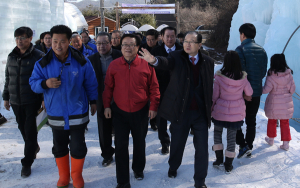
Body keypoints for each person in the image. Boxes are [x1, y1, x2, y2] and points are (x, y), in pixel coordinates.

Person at [140, 31, 214, 188]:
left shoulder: (208, 62)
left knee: (202, 149)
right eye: (185, 41)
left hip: (200, 113)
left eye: (191, 42)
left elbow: (208, 87)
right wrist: (153, 60)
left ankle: (200, 181)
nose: (187, 44)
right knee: (177, 144)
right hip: (181, 111)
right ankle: (173, 166)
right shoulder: (177, 57)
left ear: (199, 45)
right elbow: (165, 63)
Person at [29, 25, 98, 188]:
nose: (58, 45)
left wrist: (93, 101)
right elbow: (32, 83)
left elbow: (91, 82)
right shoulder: (43, 63)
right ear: (49, 42)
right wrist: (44, 83)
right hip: (56, 113)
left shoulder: (82, 61)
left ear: (69, 42)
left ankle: (77, 175)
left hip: (78, 111)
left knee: (78, 146)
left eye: (62, 41)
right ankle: (64, 176)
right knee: (59, 146)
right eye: (54, 41)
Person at [103, 34, 160, 188]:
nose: (128, 48)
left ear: (137, 47)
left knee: (139, 142)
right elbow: (108, 87)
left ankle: (138, 168)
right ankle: (122, 180)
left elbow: (154, 87)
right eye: (124, 45)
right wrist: (107, 105)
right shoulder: (114, 65)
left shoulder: (145, 65)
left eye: (131, 45)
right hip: (119, 112)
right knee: (120, 146)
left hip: (140, 111)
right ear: (120, 48)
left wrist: (153, 107)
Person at [2, 26, 44, 177]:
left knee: (30, 130)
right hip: (15, 100)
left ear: (30, 39)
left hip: (32, 99)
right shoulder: (11, 56)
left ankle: (27, 162)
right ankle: (33, 147)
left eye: (23, 38)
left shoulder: (38, 56)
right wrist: (6, 97)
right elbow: (8, 78)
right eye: (17, 38)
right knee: (22, 127)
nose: (19, 41)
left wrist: (44, 98)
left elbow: (43, 79)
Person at [211, 51, 253, 173]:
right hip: (236, 113)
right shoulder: (242, 77)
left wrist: (211, 108)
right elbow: (249, 93)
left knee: (217, 133)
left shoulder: (219, 77)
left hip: (220, 110)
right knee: (231, 137)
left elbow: (215, 96)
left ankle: (219, 159)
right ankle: (228, 164)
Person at [88, 32, 122, 167]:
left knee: (120, 128)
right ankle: (107, 154)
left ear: (110, 43)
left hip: (119, 98)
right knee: (104, 129)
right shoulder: (91, 60)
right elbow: (89, 82)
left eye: (104, 43)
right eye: (98, 43)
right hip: (101, 98)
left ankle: (120, 153)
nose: (101, 46)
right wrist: (93, 101)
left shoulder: (119, 56)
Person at [235, 23, 268, 158]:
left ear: (242, 35)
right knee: (251, 120)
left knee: (235, 120)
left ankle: (243, 145)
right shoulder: (262, 50)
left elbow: (240, 73)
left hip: (243, 93)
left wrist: (244, 92)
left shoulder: (240, 49)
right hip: (256, 91)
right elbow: (263, 71)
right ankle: (249, 146)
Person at [150, 26, 183, 155]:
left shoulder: (182, 50)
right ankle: (164, 142)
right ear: (162, 37)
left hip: (178, 90)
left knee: (177, 118)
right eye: (167, 36)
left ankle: (176, 140)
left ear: (176, 37)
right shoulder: (156, 51)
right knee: (161, 119)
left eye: (172, 36)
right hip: (161, 89)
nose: (170, 39)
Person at [263, 54, 295, 151]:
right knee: (285, 122)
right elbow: (293, 89)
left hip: (274, 103)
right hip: (286, 102)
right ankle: (285, 144)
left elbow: (265, 90)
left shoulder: (271, 76)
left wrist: (257, 89)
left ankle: (271, 139)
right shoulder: (289, 75)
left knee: (272, 120)